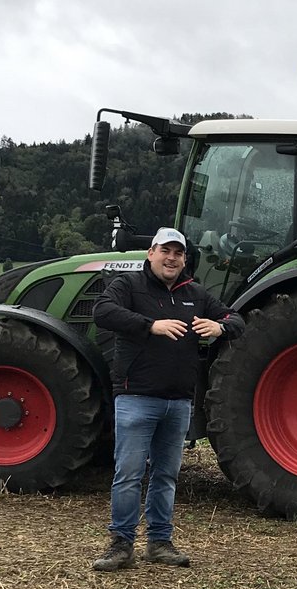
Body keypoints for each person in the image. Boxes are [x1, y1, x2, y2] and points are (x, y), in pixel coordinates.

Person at [91, 227, 245, 570]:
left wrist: (220, 328)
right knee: (129, 473)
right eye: (165, 251)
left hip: (178, 401)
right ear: (151, 253)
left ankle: (160, 543)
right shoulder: (128, 286)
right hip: (136, 397)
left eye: (178, 253)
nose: (171, 258)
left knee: (165, 475)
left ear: (185, 259)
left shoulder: (197, 293)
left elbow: (237, 319)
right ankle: (121, 544)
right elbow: (102, 311)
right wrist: (151, 326)